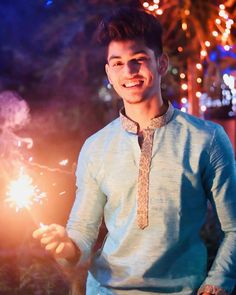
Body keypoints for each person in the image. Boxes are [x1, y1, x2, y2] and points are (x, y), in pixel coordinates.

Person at [33, 7, 236, 295]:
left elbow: (234, 228)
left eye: (138, 60)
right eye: (117, 63)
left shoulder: (207, 139)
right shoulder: (96, 147)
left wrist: (216, 283)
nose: (128, 72)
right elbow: (82, 232)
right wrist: (66, 245)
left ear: (161, 64)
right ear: (108, 72)